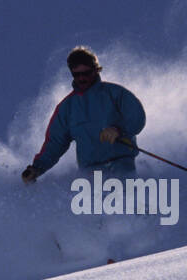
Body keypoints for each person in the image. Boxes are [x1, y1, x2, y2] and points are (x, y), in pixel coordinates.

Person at [22, 47, 146, 183]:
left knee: (123, 201)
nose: (82, 78)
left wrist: (119, 130)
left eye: (86, 73)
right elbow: (55, 143)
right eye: (77, 74)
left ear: (96, 70)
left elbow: (137, 117)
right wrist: (37, 168)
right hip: (90, 172)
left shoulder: (114, 93)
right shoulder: (67, 108)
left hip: (121, 165)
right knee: (93, 202)